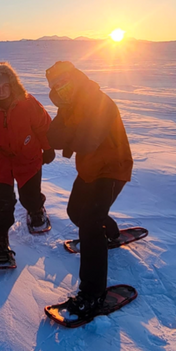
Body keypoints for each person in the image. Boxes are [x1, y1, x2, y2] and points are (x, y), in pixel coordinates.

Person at [45, 61, 133, 320]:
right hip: (89, 170)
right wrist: (70, 137)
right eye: (56, 87)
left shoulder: (98, 102)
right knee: (75, 212)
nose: (62, 89)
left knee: (90, 224)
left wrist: (69, 138)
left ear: (77, 79)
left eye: (65, 83)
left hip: (112, 169)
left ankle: (92, 294)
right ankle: (111, 234)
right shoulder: (67, 107)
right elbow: (52, 136)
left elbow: (87, 140)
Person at [0, 62, 55, 264]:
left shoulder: (27, 103)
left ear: (13, 84)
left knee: (30, 195)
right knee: (2, 201)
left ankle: (36, 209)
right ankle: (0, 238)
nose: (1, 91)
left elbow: (44, 125)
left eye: (5, 86)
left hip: (28, 157)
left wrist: (48, 147)